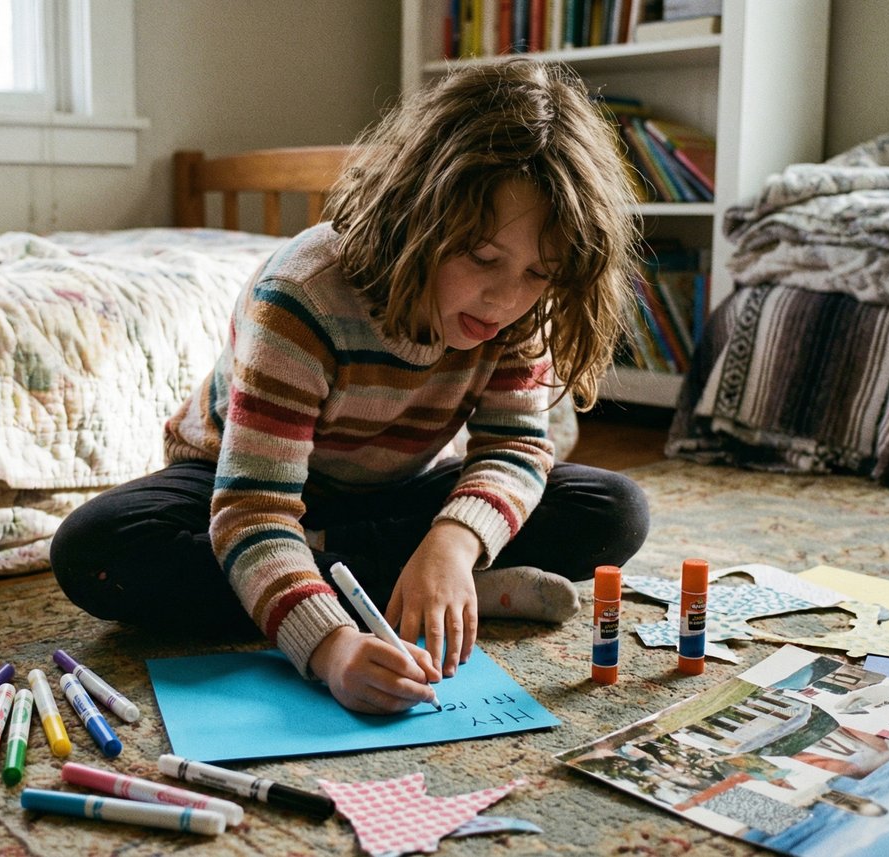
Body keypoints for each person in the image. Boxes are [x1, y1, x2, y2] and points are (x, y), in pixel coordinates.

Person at [50, 59, 650, 714]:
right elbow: (253, 511)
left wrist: (453, 542)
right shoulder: (305, 293)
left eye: (539, 272)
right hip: (237, 487)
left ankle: (416, 574)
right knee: (96, 551)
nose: (506, 298)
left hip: (388, 497)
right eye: (482, 258)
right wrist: (331, 645)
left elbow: (516, 446)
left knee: (614, 507)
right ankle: (402, 584)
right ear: (423, 212)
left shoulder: (517, 309)